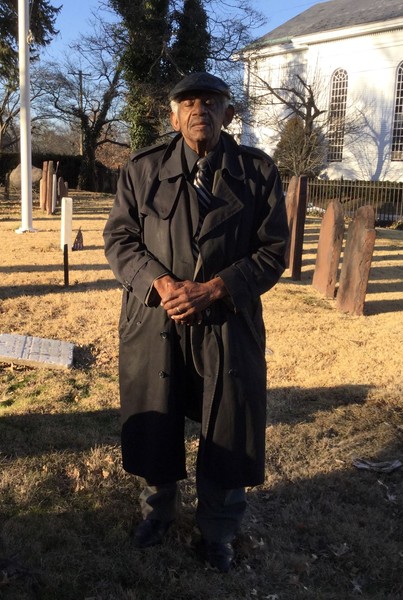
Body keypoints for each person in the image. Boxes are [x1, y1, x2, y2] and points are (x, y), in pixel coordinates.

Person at [103, 72, 289, 572]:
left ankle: (220, 530)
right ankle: (156, 512)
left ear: (229, 113)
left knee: (228, 424)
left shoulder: (258, 172)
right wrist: (162, 284)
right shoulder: (143, 169)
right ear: (172, 114)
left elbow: (274, 252)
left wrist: (214, 288)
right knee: (156, 420)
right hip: (156, 319)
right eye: (187, 102)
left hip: (227, 322)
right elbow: (120, 240)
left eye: (211, 101)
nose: (198, 109)